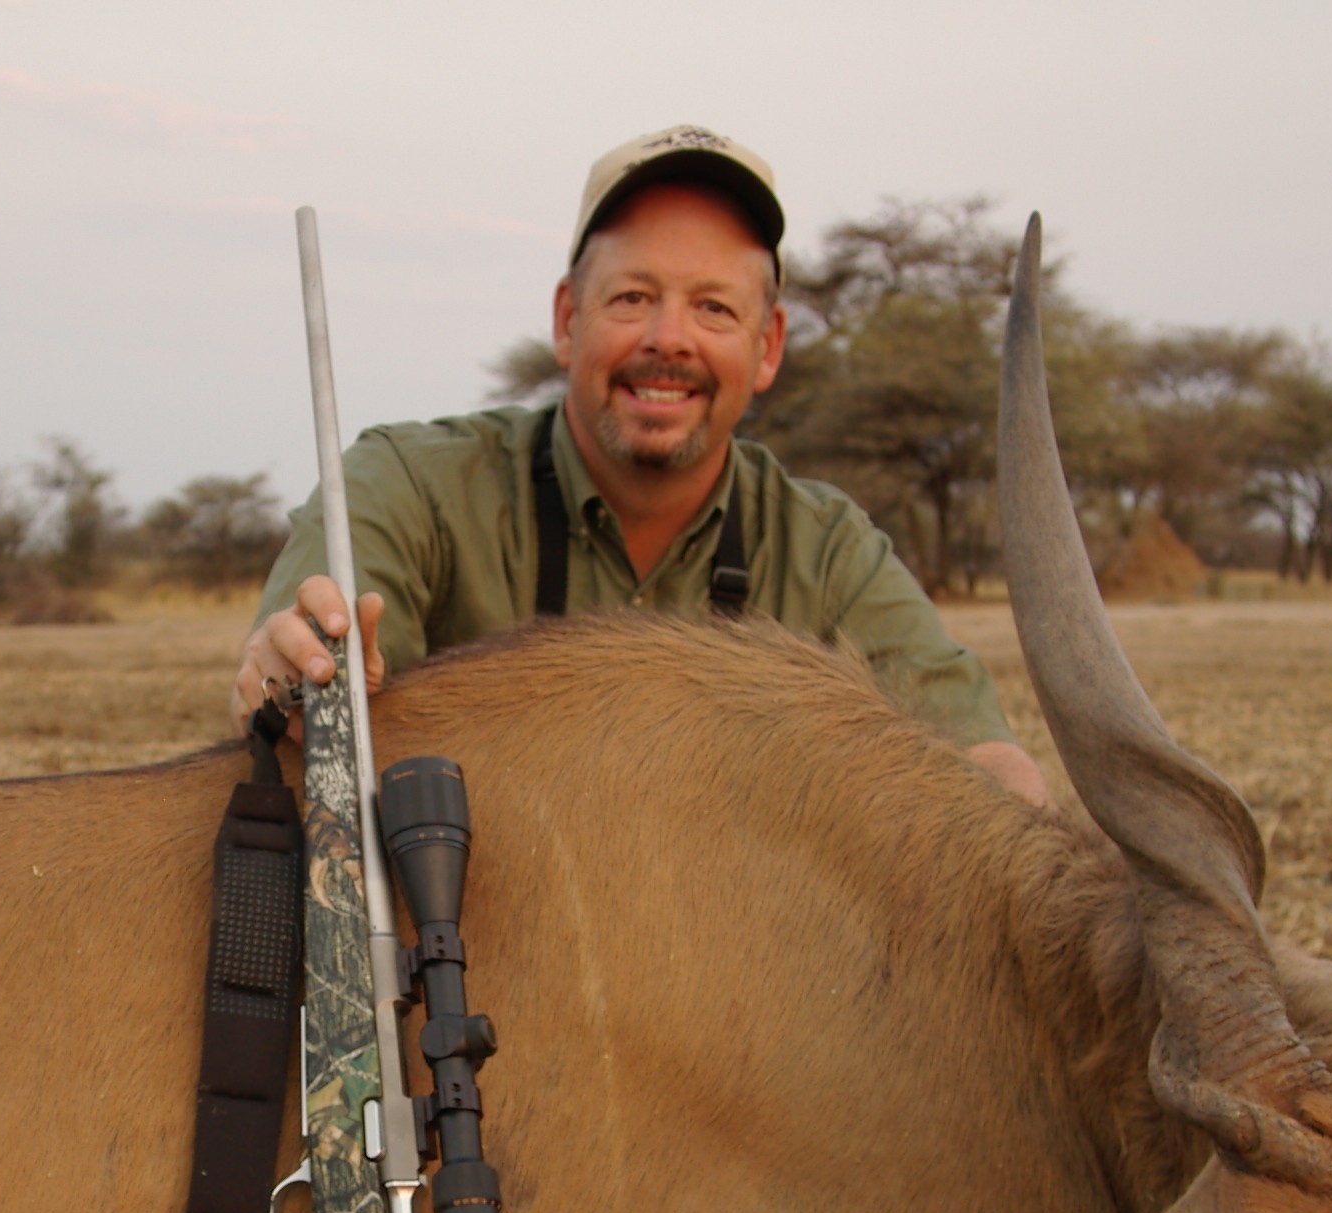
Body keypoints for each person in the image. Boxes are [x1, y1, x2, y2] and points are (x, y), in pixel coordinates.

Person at [233, 124, 1050, 808]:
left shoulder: (827, 550)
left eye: (714, 308)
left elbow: (989, 769)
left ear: (767, 348)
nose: (669, 339)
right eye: (631, 298)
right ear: (566, 320)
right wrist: (299, 686)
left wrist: (1001, 813)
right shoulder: (407, 485)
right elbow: (301, 692)